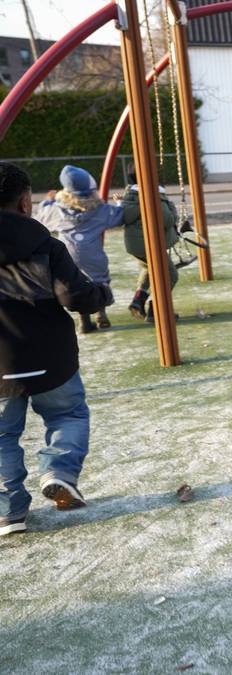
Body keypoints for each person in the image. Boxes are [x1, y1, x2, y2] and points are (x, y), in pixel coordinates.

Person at [0, 162, 112, 536]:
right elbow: (76, 296)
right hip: (51, 358)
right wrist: (102, 294)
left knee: (1, 435)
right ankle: (60, 472)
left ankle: (8, 509)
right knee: (69, 415)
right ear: (24, 203)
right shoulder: (46, 246)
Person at [34, 165, 123, 333]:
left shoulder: (56, 210)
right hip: (93, 255)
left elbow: (41, 218)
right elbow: (119, 215)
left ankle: (84, 320)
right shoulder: (100, 210)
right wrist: (120, 202)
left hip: (67, 254)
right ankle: (101, 313)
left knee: (76, 284)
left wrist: (47, 201)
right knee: (100, 280)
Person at [122, 170, 180, 322]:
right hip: (151, 244)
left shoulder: (129, 196)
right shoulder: (155, 196)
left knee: (149, 268)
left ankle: (138, 299)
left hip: (135, 245)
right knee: (170, 275)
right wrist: (172, 208)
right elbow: (167, 220)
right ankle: (156, 310)